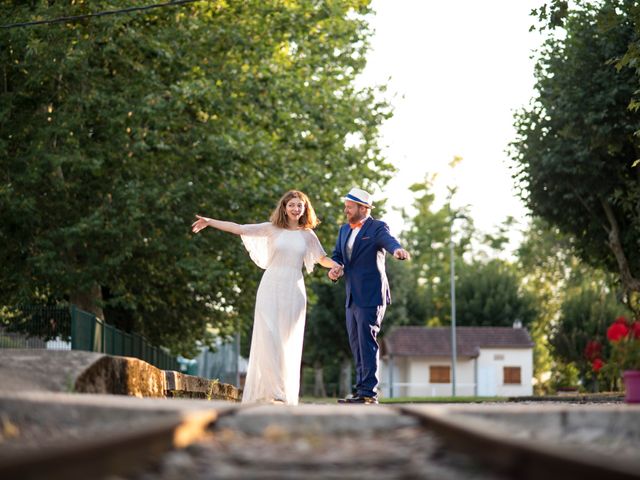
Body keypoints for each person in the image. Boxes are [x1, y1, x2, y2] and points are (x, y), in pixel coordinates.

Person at [191, 190, 342, 406]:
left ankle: (282, 392)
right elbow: (239, 228)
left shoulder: (308, 235)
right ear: (284, 207)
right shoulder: (272, 229)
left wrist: (336, 265)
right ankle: (274, 392)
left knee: (286, 340)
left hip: (294, 290)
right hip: (270, 286)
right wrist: (209, 221)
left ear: (305, 209)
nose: (295, 209)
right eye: (292, 205)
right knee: (268, 336)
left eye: (300, 205)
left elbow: (321, 258)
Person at [328, 187, 409, 404]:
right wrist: (334, 270)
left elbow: (389, 241)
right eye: (345, 206)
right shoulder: (344, 230)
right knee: (356, 343)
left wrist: (397, 250)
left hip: (371, 294)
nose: (346, 210)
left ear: (363, 208)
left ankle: (368, 394)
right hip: (352, 296)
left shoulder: (377, 227)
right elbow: (338, 256)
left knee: (367, 342)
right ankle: (361, 391)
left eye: (350, 206)